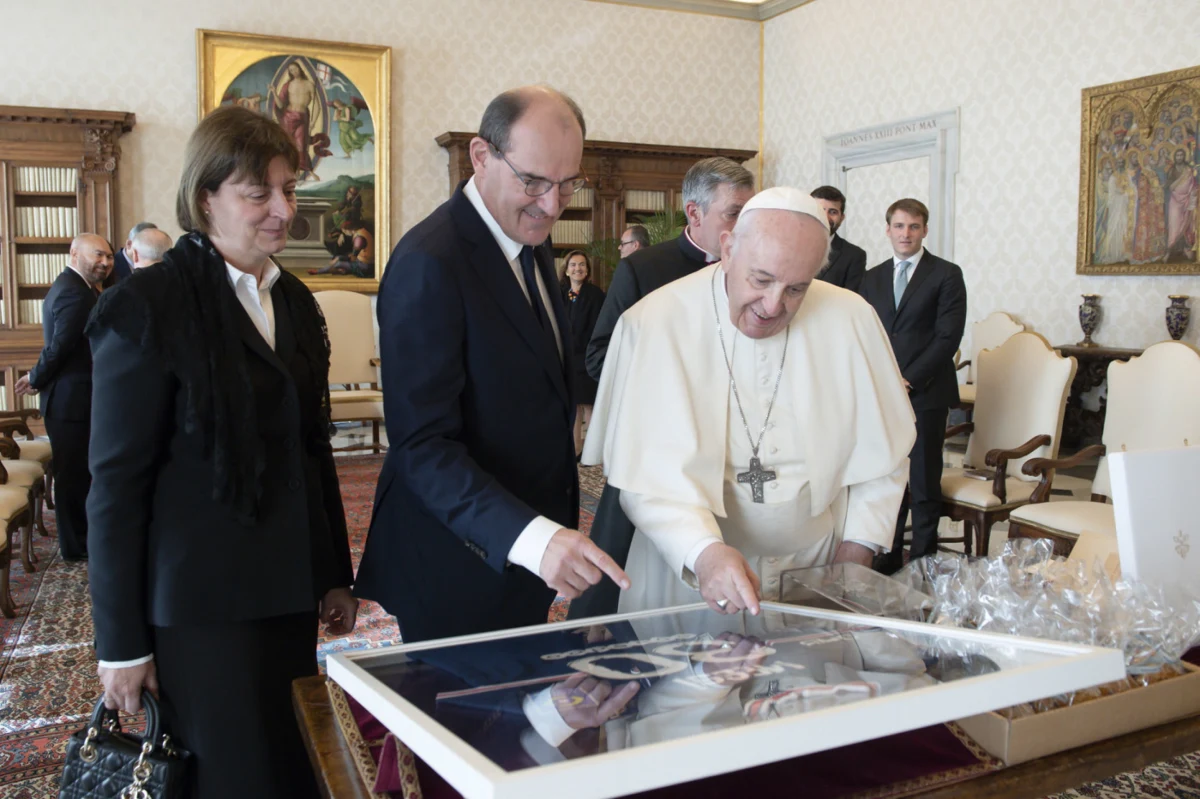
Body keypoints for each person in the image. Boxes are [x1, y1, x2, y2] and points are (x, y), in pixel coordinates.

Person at [85, 105, 357, 799]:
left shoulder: (292, 299)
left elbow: (309, 447)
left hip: (286, 593)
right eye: (257, 192)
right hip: (202, 611)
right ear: (206, 195)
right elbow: (115, 486)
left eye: (289, 189)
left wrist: (332, 575)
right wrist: (119, 643)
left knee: (293, 765)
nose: (281, 210)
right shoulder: (147, 306)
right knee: (232, 779)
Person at [354, 86, 629, 643]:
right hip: (455, 562)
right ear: (481, 156)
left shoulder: (526, 237)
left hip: (522, 552)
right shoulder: (429, 263)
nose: (553, 204)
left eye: (567, 183)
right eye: (533, 181)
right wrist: (531, 538)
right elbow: (423, 448)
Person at [583, 187, 915, 615]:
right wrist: (702, 552)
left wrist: (856, 551)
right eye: (760, 280)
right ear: (727, 248)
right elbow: (644, 475)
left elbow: (883, 456)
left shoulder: (852, 318)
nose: (773, 305)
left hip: (819, 568)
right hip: (692, 577)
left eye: (797, 288)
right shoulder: (657, 322)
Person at [568, 156, 754, 620]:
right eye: (734, 213)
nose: (745, 226)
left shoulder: (755, 271)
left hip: (731, 437)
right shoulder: (644, 271)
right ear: (694, 213)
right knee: (622, 553)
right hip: (655, 440)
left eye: (751, 213)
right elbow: (599, 355)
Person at [859, 198, 967, 573]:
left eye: (914, 226)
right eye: (899, 226)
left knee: (922, 481)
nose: (906, 234)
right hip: (882, 396)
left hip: (926, 393)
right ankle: (888, 554)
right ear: (887, 229)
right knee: (888, 477)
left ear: (924, 230)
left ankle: (923, 559)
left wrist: (908, 379)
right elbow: (866, 335)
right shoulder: (871, 277)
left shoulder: (946, 274)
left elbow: (947, 337)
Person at [14, 233, 112, 561]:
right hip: (71, 402)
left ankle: (81, 539)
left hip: (76, 399)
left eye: (109, 257)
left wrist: (37, 376)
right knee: (72, 476)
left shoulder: (82, 288)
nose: (106, 262)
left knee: (80, 473)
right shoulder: (73, 292)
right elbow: (59, 347)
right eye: (98, 255)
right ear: (75, 253)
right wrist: (36, 377)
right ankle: (75, 546)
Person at [559, 250, 606, 456]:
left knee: (590, 403)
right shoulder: (559, 292)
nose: (577, 269)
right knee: (574, 404)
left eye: (581, 265)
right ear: (567, 270)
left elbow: (599, 325)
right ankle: (576, 448)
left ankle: (594, 450)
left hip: (588, 355)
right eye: (573, 265)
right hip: (567, 356)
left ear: (587, 271)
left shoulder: (595, 294)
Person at [810, 185, 867, 292]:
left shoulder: (854, 256)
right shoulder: (789, 247)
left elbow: (851, 301)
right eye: (820, 210)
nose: (826, 217)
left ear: (841, 218)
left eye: (833, 212)